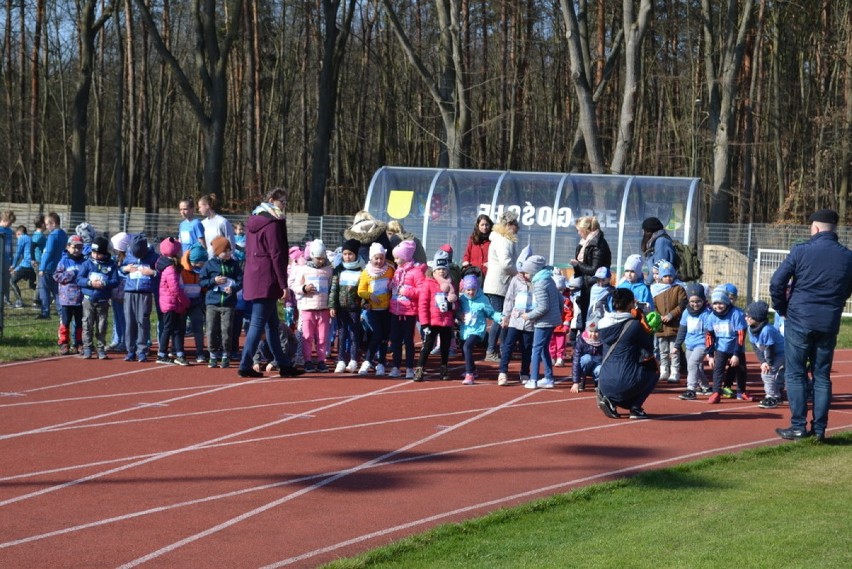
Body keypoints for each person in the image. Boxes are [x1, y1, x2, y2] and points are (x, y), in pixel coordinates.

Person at [770, 208, 852, 441]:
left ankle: (798, 427)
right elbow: (847, 289)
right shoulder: (847, 256)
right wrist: (835, 305)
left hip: (799, 319)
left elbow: (777, 282)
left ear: (814, 227)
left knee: (795, 374)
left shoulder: (801, 251)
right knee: (822, 376)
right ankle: (819, 429)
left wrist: (782, 309)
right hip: (828, 321)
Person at [238, 188, 302, 378]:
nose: (284, 206)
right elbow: (276, 254)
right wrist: (284, 284)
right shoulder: (272, 223)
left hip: (255, 276)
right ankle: (245, 364)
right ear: (272, 200)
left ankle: (284, 364)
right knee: (258, 324)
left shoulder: (254, 220)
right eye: (282, 202)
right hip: (267, 280)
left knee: (272, 325)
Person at [595, 288, 658, 419]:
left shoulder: (602, 324)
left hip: (603, 381)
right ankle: (635, 407)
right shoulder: (634, 325)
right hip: (624, 379)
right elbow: (649, 349)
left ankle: (611, 400)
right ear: (630, 304)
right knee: (654, 369)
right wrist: (647, 326)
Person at [413, 248, 457, 381]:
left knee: (445, 347)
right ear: (434, 270)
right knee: (427, 346)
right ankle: (420, 369)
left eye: (444, 269)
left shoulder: (451, 284)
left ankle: (444, 368)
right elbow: (423, 304)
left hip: (446, 322)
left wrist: (452, 306)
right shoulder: (428, 284)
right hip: (432, 322)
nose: (441, 271)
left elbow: (456, 302)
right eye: (439, 269)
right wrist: (424, 323)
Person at [519, 255, 562, 389]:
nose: (525, 276)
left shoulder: (539, 283)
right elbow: (560, 300)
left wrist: (529, 316)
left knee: (536, 349)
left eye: (526, 273)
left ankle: (533, 379)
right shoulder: (549, 279)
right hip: (551, 319)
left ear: (533, 271)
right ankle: (548, 377)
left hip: (544, 322)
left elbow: (543, 307)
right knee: (543, 348)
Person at [200, 236, 242, 368]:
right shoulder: (209, 264)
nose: (229, 253)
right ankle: (212, 355)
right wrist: (214, 281)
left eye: (230, 250)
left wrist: (233, 288)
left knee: (227, 331)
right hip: (212, 303)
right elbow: (201, 282)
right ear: (218, 252)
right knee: (211, 330)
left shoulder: (234, 265)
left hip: (228, 304)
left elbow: (241, 281)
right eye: (226, 251)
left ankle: (225, 355)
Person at [75, 236, 120, 360]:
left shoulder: (111, 265)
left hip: (103, 300)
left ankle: (101, 348)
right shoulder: (86, 264)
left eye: (99, 253)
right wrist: (90, 283)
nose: (95, 255)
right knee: (87, 324)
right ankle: (88, 348)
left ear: (105, 253)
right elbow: (79, 279)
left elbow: (115, 280)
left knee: (102, 325)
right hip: (89, 299)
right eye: (93, 252)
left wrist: (105, 283)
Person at [483, 210, 519, 361]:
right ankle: (491, 351)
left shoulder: (500, 239)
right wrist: (518, 273)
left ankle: (503, 349)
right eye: (516, 223)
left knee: (503, 317)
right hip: (499, 284)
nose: (518, 227)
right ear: (510, 225)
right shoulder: (504, 240)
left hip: (499, 283)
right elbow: (506, 263)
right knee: (500, 318)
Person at [704, 287, 749, 404]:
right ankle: (716, 392)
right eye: (715, 303)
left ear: (727, 302)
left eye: (721, 303)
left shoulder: (737, 314)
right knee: (718, 370)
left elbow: (740, 334)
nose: (718, 306)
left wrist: (736, 354)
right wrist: (710, 354)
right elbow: (709, 335)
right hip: (721, 348)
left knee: (741, 369)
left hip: (735, 347)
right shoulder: (711, 317)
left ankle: (741, 391)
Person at [294, 239, 333, 372]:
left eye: (323, 258)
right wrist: (304, 288)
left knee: (322, 337)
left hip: (324, 310)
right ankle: (308, 360)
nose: (320, 261)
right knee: (307, 336)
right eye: (318, 258)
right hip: (307, 309)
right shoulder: (304, 269)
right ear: (311, 255)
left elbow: (331, 287)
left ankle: (321, 360)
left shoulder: (329, 270)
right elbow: (295, 286)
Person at [388, 239, 425, 378]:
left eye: (398, 257)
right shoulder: (397, 271)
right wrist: (391, 285)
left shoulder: (416, 272)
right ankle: (396, 367)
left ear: (405, 257)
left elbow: (421, 291)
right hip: (395, 310)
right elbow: (395, 286)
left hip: (409, 312)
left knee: (408, 341)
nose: (395, 260)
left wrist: (407, 291)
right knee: (395, 340)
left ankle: (409, 367)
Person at [357, 242, 395, 376]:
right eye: (376, 258)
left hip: (387, 309)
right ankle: (367, 362)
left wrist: (392, 286)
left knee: (384, 338)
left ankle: (381, 363)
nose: (379, 261)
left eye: (381, 258)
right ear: (371, 258)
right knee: (377, 335)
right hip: (373, 310)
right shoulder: (366, 273)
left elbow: (394, 283)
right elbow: (360, 291)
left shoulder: (389, 270)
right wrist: (369, 295)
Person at [120, 234, 159, 363]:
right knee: (130, 322)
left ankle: (142, 350)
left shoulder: (154, 257)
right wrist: (125, 269)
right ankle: (130, 351)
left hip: (145, 293)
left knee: (142, 321)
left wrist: (153, 273)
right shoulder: (128, 255)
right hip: (129, 292)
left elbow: (162, 273)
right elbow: (119, 270)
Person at [569, 216, 612, 331]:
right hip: (586, 284)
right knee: (584, 316)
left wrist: (577, 264)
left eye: (579, 230)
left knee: (592, 317)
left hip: (596, 285)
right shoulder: (585, 243)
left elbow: (595, 270)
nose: (578, 233)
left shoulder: (598, 245)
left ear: (585, 230)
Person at [496, 258, 535, 386]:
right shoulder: (515, 281)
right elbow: (509, 298)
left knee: (526, 348)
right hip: (515, 319)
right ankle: (502, 372)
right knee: (508, 345)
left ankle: (524, 372)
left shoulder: (536, 282)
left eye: (525, 272)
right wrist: (506, 316)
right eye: (521, 272)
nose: (523, 275)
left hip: (529, 321)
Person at [330, 238, 364, 373]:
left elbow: (364, 290)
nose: (347, 257)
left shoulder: (362, 270)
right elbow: (333, 289)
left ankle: (354, 360)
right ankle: (341, 360)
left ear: (355, 254)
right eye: (345, 254)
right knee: (342, 334)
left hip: (355, 308)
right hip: (341, 308)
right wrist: (332, 305)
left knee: (354, 334)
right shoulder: (339, 270)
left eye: (350, 254)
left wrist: (364, 305)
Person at [457, 274, 498, 385]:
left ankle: (469, 374)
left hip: (478, 330)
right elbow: (457, 311)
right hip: (465, 330)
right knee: (464, 348)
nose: (470, 292)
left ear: (477, 289)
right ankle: (473, 370)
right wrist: (459, 315)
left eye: (473, 290)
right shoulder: (462, 299)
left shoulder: (483, 299)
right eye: (468, 290)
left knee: (467, 346)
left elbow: (491, 313)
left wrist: (501, 318)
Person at [744, 300, 786, 410]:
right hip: (771, 353)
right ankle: (777, 393)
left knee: (767, 373)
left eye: (749, 316)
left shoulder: (767, 330)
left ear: (757, 318)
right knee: (778, 372)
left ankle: (772, 397)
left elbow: (769, 349)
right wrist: (762, 361)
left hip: (782, 353)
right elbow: (755, 347)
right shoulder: (750, 328)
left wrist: (767, 363)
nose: (746, 318)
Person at [155, 237, 190, 366]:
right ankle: (162, 353)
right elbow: (175, 288)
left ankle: (179, 353)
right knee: (169, 328)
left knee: (176, 329)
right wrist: (185, 300)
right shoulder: (170, 269)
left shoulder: (173, 267)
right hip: (171, 303)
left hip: (174, 303)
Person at [650, 261, 687, 383]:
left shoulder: (678, 288)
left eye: (670, 275)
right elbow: (653, 305)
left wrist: (671, 315)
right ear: (660, 276)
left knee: (674, 350)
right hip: (661, 326)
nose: (668, 278)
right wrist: (659, 316)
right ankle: (664, 370)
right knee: (663, 350)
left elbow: (682, 304)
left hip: (674, 325)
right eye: (665, 276)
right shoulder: (655, 289)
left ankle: (675, 371)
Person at [675, 283, 712, 400]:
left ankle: (691, 389)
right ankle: (705, 386)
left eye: (698, 301)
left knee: (692, 364)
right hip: (689, 344)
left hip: (701, 344)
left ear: (703, 300)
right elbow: (682, 329)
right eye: (692, 302)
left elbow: (708, 333)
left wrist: (710, 351)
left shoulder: (706, 314)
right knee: (696, 367)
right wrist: (677, 345)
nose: (695, 304)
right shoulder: (686, 313)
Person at [53, 235, 86, 355]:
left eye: (80, 247)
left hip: (80, 298)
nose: (77, 250)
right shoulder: (64, 261)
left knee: (80, 322)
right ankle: (64, 342)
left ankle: (79, 343)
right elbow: (56, 276)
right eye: (75, 247)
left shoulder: (85, 262)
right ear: (68, 247)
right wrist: (70, 275)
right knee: (65, 322)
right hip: (66, 299)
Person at [181, 242, 209, 363]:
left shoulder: (202, 270)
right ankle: (179, 351)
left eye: (202, 264)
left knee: (198, 328)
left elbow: (204, 286)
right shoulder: (182, 270)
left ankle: (200, 352)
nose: (200, 267)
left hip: (197, 302)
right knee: (180, 328)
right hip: (182, 303)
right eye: (197, 264)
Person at [37, 212, 67, 318]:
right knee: (57, 291)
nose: (46, 226)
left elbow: (48, 252)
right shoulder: (63, 234)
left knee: (44, 290)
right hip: (59, 267)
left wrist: (42, 267)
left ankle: (45, 312)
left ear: (53, 223)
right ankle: (61, 312)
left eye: (47, 224)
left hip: (48, 268)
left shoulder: (52, 235)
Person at [107, 232, 130, 353]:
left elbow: (127, 272)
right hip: (115, 293)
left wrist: (122, 269)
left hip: (125, 294)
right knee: (117, 318)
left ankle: (125, 342)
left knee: (125, 318)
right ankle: (116, 339)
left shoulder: (129, 259)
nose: (114, 251)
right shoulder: (115, 260)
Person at [640, 217, 677, 285]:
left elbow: (659, 268)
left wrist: (646, 282)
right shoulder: (655, 241)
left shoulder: (661, 242)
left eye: (644, 230)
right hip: (659, 284)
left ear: (648, 231)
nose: (642, 233)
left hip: (663, 286)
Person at [198, 193, 235, 260]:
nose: (199, 210)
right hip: (208, 261)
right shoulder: (202, 223)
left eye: (200, 207)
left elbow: (231, 242)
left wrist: (230, 258)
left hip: (222, 261)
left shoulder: (222, 222)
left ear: (207, 206)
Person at [570, 322, 603, 393]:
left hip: (596, 364)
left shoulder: (604, 341)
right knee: (587, 358)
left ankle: (598, 383)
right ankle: (581, 379)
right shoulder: (581, 340)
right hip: (583, 365)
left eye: (596, 332)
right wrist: (575, 382)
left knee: (600, 368)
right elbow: (576, 360)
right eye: (591, 331)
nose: (593, 334)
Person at [549, 269, 573, 367]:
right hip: (551, 325)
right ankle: (552, 357)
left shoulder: (566, 300)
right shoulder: (550, 298)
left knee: (561, 343)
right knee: (551, 343)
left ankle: (560, 358)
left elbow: (568, 312)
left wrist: (567, 323)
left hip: (561, 326)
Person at [9, 225, 36, 308]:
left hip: (26, 265)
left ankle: (19, 302)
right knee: (32, 285)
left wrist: (13, 266)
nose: (17, 238)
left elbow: (18, 254)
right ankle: (47, 296)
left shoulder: (22, 238)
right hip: (31, 266)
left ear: (19, 233)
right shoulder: (29, 238)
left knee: (12, 281)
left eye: (16, 235)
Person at [0, 210, 16, 305]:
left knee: (6, 280)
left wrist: (12, 260)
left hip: (7, 259)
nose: (10, 224)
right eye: (9, 222)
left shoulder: (9, 231)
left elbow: (10, 246)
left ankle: (6, 299)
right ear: (4, 219)